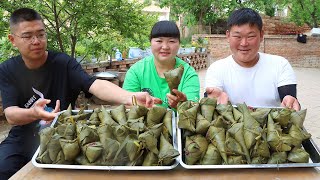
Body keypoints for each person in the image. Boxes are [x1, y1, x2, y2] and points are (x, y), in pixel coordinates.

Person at [0, 8, 161, 179]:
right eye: (27, 36)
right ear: (13, 40)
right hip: (22, 138)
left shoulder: (63, 63)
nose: (36, 41)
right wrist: (33, 113)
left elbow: (94, 84)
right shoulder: (7, 70)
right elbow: (11, 115)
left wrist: (130, 96)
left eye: (41, 34)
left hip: (63, 136)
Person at [205, 8, 300, 111]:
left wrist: (291, 101)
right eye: (237, 36)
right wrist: (212, 100)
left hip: (271, 126)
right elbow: (211, 99)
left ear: (261, 35)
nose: (244, 43)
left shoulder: (280, 65)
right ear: (228, 36)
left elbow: (289, 98)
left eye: (251, 36)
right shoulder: (216, 69)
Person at [123, 20, 200, 109]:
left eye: (171, 41)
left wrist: (183, 104)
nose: (165, 47)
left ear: (179, 44)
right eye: (159, 41)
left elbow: (192, 108)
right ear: (150, 43)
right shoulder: (136, 71)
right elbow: (128, 103)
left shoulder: (188, 73)